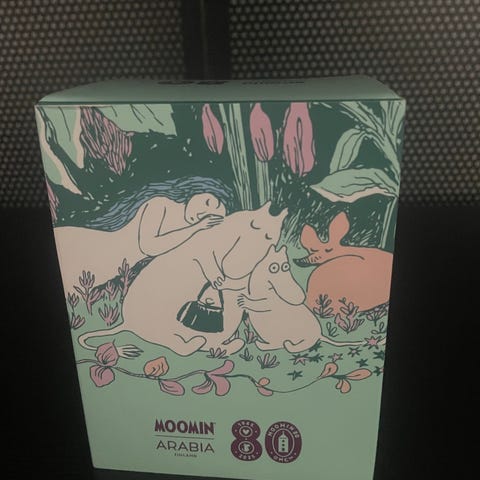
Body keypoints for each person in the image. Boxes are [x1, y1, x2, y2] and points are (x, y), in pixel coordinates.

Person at [54, 176, 234, 296]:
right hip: (97, 250)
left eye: (212, 218)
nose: (204, 214)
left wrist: (213, 274)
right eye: (208, 202)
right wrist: (196, 228)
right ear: (198, 190)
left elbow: (197, 256)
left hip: (113, 268)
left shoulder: (191, 233)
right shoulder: (161, 204)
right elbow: (149, 246)